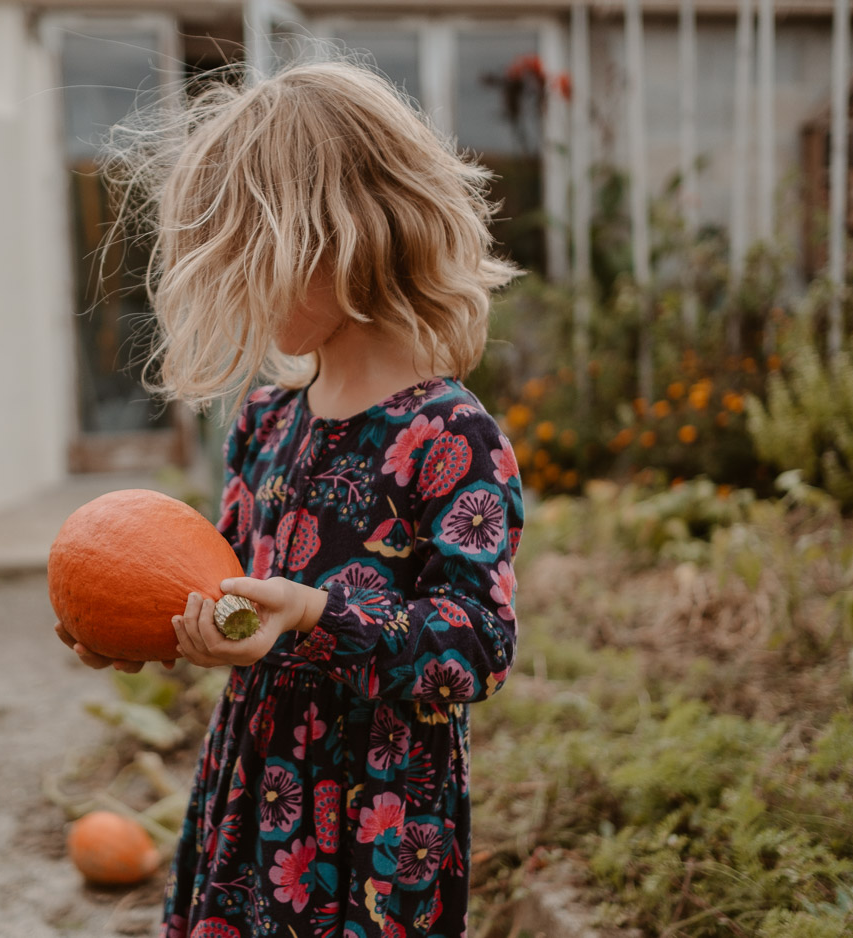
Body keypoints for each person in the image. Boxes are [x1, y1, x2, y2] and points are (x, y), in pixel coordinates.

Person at [54, 58, 526, 938]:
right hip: (254, 789)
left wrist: (317, 611)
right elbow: (226, 593)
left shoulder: (449, 438)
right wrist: (152, 627)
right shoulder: (267, 421)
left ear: (344, 240)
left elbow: (478, 644)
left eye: (251, 259)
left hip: (377, 821)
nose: (238, 286)